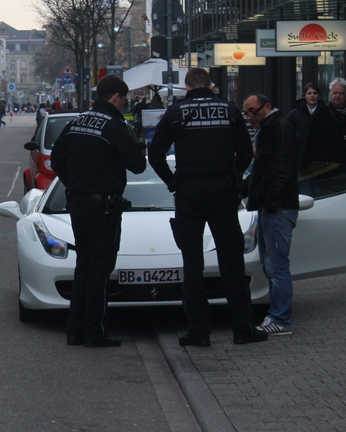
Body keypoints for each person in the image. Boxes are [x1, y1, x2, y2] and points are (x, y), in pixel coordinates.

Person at [148, 67, 267, 347]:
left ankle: (198, 332)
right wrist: (235, 178)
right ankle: (242, 328)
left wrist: (173, 182)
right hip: (223, 189)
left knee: (192, 263)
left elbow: (155, 154)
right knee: (231, 260)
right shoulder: (229, 109)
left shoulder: (176, 113)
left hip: (189, 191)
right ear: (210, 86)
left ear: (187, 87)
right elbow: (247, 151)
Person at [50, 74, 146, 348]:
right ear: (116, 97)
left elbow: (57, 159)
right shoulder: (115, 126)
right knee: (100, 270)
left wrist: (76, 184)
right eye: (124, 100)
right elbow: (138, 165)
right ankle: (94, 332)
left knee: (84, 267)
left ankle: (75, 330)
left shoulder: (77, 122)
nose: (124, 105)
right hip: (104, 206)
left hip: (78, 204)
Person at [242, 93, 299, 336]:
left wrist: (271, 202)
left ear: (266, 107)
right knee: (271, 264)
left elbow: (283, 170)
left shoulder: (280, 128)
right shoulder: (268, 129)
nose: (249, 116)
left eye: (252, 110)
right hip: (270, 206)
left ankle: (281, 318)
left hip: (277, 207)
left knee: (276, 265)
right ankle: (277, 315)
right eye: (246, 112)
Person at [304, 78, 346, 188]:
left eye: (341, 93)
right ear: (330, 94)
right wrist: (306, 164)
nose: (337, 96)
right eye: (335, 93)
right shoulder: (321, 114)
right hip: (327, 165)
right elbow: (311, 140)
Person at [286, 83, 324, 150]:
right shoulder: (295, 113)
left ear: (319, 95)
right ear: (304, 96)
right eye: (309, 93)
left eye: (315, 93)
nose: (312, 96)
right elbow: (287, 131)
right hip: (299, 152)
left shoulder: (325, 113)